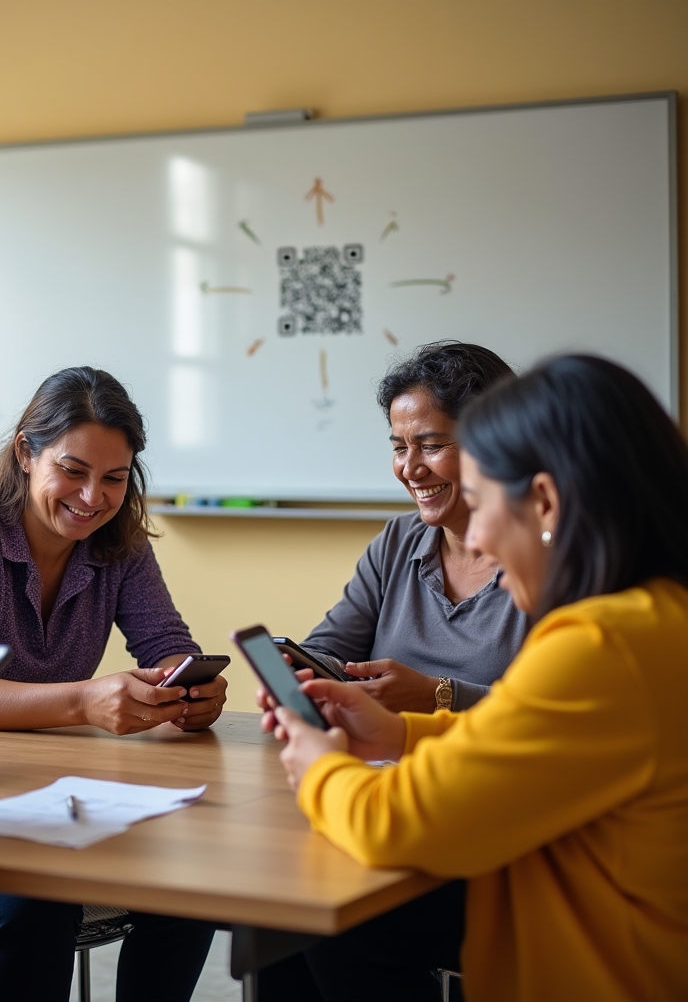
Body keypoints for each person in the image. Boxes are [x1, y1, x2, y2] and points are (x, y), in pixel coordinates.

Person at [267, 355, 688, 1001]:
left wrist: (320, 767)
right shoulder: (660, 618)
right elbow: (539, 748)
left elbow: (399, 823)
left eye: (483, 500)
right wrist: (398, 735)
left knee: (317, 912)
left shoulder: (601, 645)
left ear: (544, 501)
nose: (481, 538)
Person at [0, 366, 222, 1002]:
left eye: (115, 478)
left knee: (192, 877)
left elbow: (164, 640)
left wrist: (188, 689)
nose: (93, 496)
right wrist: (85, 700)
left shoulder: (115, 539)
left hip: (41, 788)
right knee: (33, 912)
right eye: (73, 470)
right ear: (24, 451)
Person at [300, 341, 530, 713]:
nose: (410, 469)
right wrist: (300, 671)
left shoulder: (552, 560)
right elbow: (327, 650)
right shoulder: (397, 542)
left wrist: (439, 695)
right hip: (387, 762)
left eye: (431, 445)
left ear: (495, 442)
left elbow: (567, 711)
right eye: (399, 448)